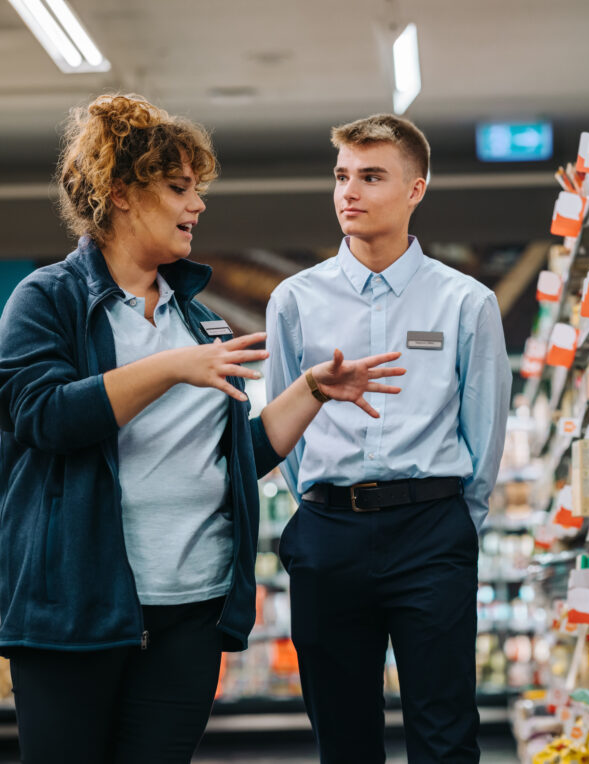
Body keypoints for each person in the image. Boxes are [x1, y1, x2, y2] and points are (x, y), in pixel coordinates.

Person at [0, 93, 405, 764]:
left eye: (199, 188)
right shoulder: (49, 300)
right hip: (77, 611)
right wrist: (169, 369)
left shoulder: (195, 319)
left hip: (191, 610)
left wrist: (310, 392)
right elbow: (41, 416)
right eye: (179, 187)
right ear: (123, 192)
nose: (198, 205)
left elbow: (230, 458)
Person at [265, 113, 512, 763]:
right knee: (342, 739)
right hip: (327, 533)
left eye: (372, 176)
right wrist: (320, 508)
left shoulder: (466, 303)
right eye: (342, 176)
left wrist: (457, 522)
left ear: (415, 190)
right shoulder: (294, 300)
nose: (350, 191)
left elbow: (484, 432)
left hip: (431, 531)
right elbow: (281, 428)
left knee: (446, 733)